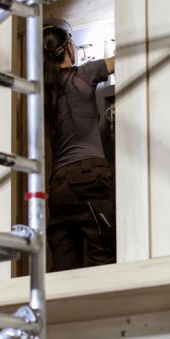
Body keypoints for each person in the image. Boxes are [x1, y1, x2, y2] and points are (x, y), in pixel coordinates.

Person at [43, 21, 116, 271]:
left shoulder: (44, 92)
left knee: (64, 270)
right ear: (68, 49)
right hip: (89, 180)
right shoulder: (84, 75)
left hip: (59, 187)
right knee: (103, 259)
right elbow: (118, 61)